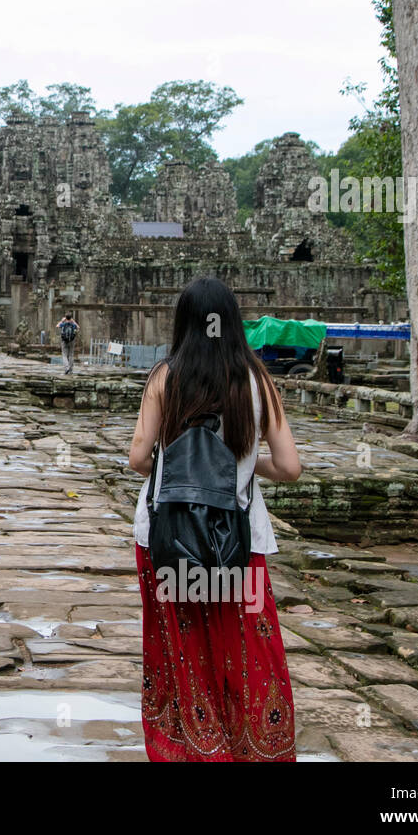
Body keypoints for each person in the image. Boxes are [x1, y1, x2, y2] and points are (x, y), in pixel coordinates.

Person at [127, 276, 301, 762]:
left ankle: (193, 751)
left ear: (183, 322)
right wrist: (246, 465)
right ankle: (257, 749)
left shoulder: (165, 377)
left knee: (179, 653)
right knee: (246, 652)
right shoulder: (257, 379)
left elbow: (140, 459)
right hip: (237, 541)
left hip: (168, 536)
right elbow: (289, 467)